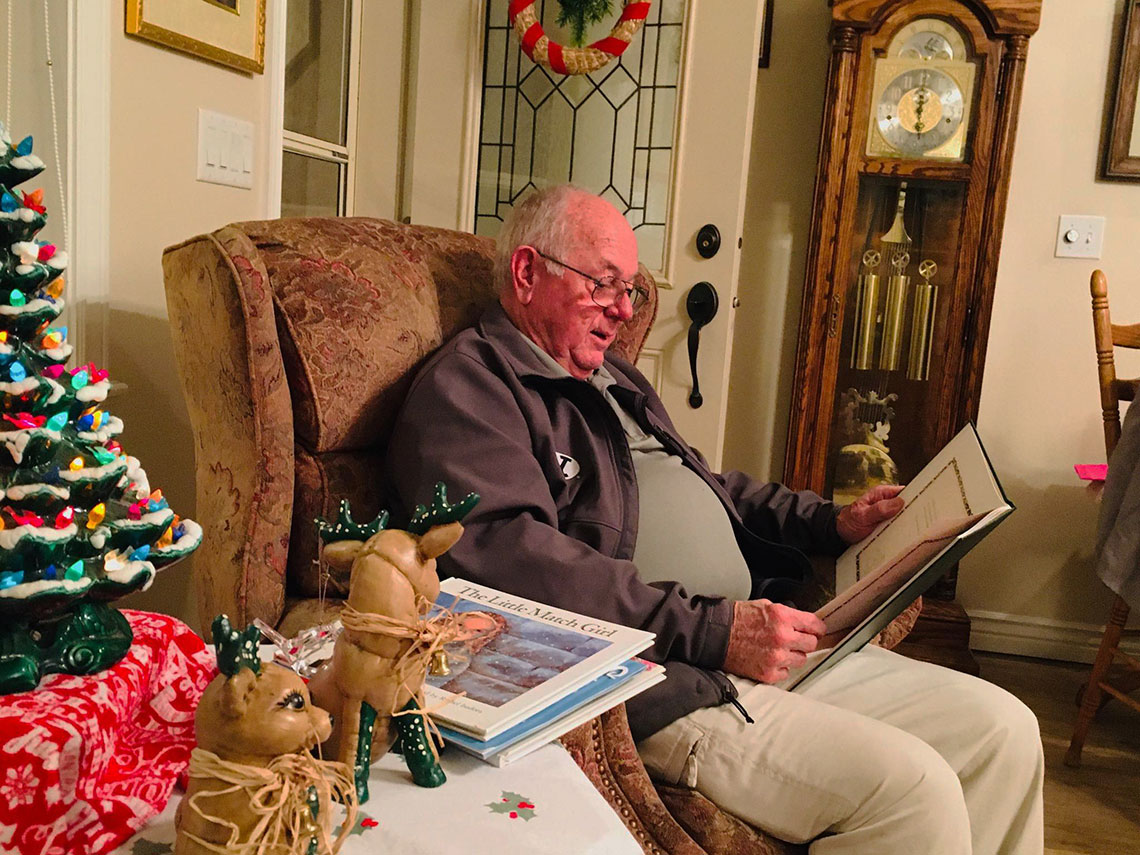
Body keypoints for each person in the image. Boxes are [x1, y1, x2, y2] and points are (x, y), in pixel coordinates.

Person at [385, 185, 1044, 854]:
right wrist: (710, 628)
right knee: (912, 790)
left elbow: (710, 486)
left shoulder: (614, 378)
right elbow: (515, 561)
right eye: (602, 284)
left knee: (1005, 730)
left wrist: (829, 522)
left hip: (759, 636)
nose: (621, 310)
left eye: (631, 291)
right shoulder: (470, 389)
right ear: (527, 273)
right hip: (669, 674)